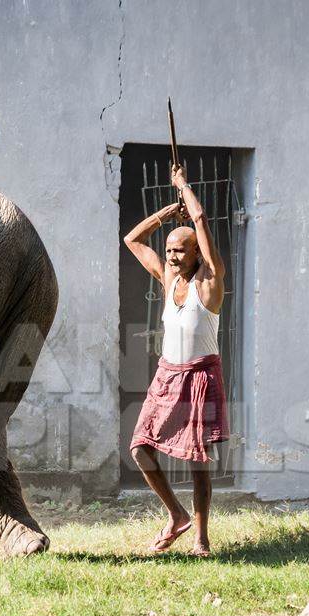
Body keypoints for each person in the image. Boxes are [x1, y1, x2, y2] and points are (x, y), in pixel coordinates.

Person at [122, 162, 229, 557]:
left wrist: (183, 185)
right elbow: (133, 239)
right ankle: (176, 515)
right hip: (167, 376)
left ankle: (201, 538)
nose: (170, 256)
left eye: (179, 250)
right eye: (168, 250)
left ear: (197, 252)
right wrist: (168, 212)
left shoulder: (211, 282)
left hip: (200, 376)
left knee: (198, 461)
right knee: (140, 447)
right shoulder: (170, 280)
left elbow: (199, 217)